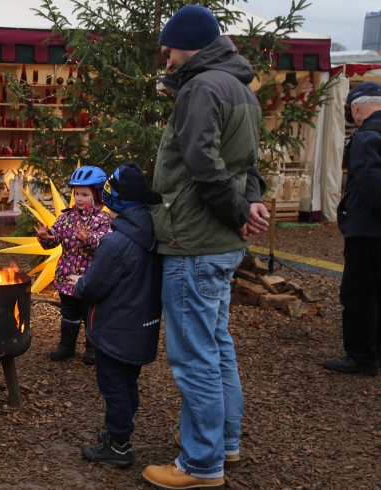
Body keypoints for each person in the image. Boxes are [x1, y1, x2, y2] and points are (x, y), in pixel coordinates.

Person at [142, 6, 270, 489]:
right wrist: (250, 206)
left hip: (192, 240)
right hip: (220, 243)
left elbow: (203, 165)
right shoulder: (241, 90)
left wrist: (240, 211)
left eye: (169, 46)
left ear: (188, 43)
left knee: (194, 357)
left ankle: (200, 465)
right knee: (217, 348)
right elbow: (249, 169)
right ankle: (226, 444)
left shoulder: (201, 87)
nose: (165, 55)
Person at [69, 162, 162, 469]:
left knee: (114, 388)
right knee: (128, 383)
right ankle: (119, 428)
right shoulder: (151, 232)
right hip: (140, 330)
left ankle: (119, 445)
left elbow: (93, 287)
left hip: (114, 332)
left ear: (112, 200)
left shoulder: (115, 242)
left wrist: (78, 284)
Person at [322, 81, 381, 377]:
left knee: (359, 293)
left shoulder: (367, 135)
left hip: (368, 229)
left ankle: (362, 356)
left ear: (356, 106)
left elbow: (370, 180)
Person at [34, 166, 111, 364]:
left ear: (97, 194)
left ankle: (92, 348)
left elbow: (107, 244)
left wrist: (89, 239)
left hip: (89, 279)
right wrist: (46, 237)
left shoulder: (103, 219)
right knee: (69, 313)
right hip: (67, 277)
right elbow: (55, 239)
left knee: (90, 314)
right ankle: (66, 346)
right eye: (77, 193)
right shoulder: (66, 218)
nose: (78, 198)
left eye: (84, 194)